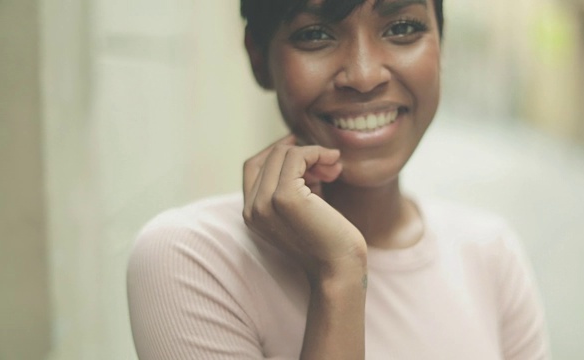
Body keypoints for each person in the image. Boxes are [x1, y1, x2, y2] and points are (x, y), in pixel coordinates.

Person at [127, 0, 550, 359]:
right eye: (315, 35)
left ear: (442, 42)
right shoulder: (194, 260)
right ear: (259, 57)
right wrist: (339, 276)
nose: (365, 76)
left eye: (402, 28)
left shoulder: (491, 254)